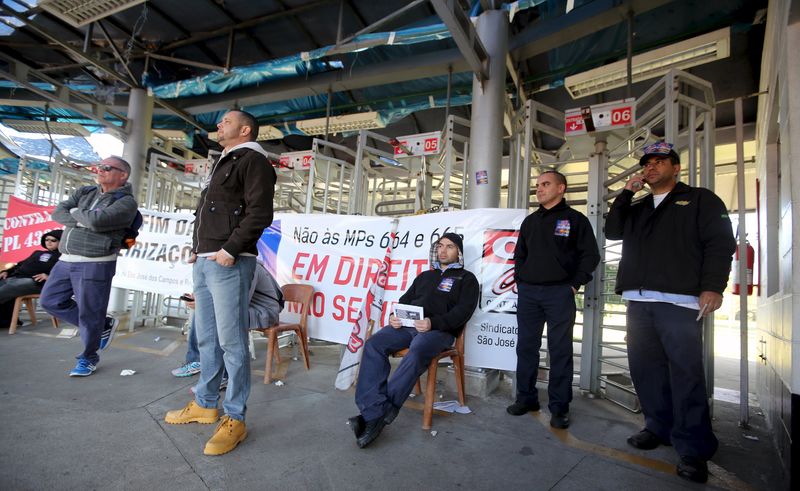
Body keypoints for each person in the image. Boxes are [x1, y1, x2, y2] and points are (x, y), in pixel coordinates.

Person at [605, 141, 735, 483]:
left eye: (659, 162)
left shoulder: (700, 199)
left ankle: (693, 448)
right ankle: (657, 427)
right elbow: (612, 230)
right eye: (646, 164)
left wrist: (713, 286)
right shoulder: (640, 205)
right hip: (639, 299)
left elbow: (720, 244)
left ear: (676, 167)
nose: (651, 168)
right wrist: (625, 194)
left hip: (680, 301)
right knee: (646, 371)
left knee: (686, 374)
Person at [164, 109, 276, 457]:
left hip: (229, 261)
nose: (218, 125)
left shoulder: (253, 160)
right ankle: (205, 403)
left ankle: (235, 418)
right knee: (208, 340)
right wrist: (198, 250)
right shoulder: (225, 161)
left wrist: (230, 248)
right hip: (206, 260)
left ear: (245, 129)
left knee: (232, 343)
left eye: (225, 121)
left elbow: (260, 213)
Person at [351, 233, 479, 448]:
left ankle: (376, 415)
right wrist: (395, 316)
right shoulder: (425, 276)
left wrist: (433, 323)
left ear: (459, 252)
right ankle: (375, 410)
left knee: (418, 348)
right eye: (440, 246)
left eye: (449, 246)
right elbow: (404, 301)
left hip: (438, 332)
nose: (443, 250)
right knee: (374, 343)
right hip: (408, 327)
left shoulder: (467, 279)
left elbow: (462, 313)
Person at [507, 170, 600, 429]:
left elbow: (590, 256)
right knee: (526, 347)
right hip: (529, 294)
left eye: (546, 184)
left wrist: (573, 284)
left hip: (559, 293)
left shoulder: (576, 220)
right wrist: (521, 280)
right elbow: (519, 255)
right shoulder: (530, 222)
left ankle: (559, 408)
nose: (539, 189)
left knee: (560, 351)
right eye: (537, 185)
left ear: (561, 188)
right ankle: (526, 398)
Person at [40, 157, 138, 377]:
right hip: (65, 260)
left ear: (123, 175)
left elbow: (97, 221)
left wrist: (75, 213)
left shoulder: (126, 202)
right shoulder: (85, 191)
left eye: (106, 168)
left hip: (96, 263)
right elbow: (58, 212)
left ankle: (88, 358)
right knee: (50, 301)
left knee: (90, 313)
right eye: (98, 167)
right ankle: (101, 325)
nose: (99, 170)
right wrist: (83, 216)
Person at [172, 260, 283, 393]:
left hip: (265, 312)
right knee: (204, 311)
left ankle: (223, 377)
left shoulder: (249, 267)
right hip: (249, 309)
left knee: (221, 317)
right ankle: (197, 360)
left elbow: (239, 301)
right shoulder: (227, 266)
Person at [0, 229, 62, 328]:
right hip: (17, 277)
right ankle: (4, 321)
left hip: (37, 283)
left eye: (53, 240)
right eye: (47, 240)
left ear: (61, 242)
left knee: (7, 288)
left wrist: (49, 277)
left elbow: (68, 274)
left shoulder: (65, 257)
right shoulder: (37, 253)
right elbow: (20, 265)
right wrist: (6, 271)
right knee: (6, 284)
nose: (49, 242)